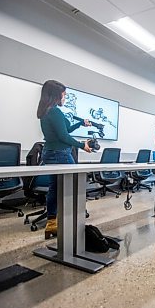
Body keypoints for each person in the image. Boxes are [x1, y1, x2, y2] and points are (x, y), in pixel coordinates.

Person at [37, 80, 92, 239]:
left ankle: (52, 224)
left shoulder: (47, 111)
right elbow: (64, 136)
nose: (65, 98)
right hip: (60, 154)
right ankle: (71, 222)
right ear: (56, 95)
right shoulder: (54, 112)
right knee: (73, 187)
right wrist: (82, 145)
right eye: (64, 95)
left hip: (51, 153)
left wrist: (81, 123)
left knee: (55, 188)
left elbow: (66, 129)